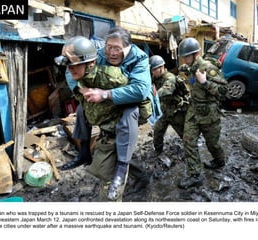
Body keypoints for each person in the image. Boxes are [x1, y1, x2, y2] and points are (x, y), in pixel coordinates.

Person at [58, 27, 153, 201]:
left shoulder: (140, 59)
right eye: (108, 47)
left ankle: (121, 169)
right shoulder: (100, 54)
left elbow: (140, 90)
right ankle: (84, 152)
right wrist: (82, 90)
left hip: (134, 103)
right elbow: (71, 71)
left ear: (128, 47)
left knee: (127, 120)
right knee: (82, 109)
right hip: (109, 103)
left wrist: (105, 94)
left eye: (117, 48)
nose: (111, 53)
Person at [177, 37, 228, 189]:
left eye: (187, 57)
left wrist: (205, 82)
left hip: (209, 113)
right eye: (183, 57)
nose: (185, 60)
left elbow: (224, 92)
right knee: (188, 141)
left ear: (196, 54)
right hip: (194, 111)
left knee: (213, 144)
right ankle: (195, 175)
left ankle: (219, 160)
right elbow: (187, 72)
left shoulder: (207, 68)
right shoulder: (191, 67)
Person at [149, 55, 189, 156]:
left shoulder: (170, 77)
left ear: (162, 67)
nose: (153, 72)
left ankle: (190, 153)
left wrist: (154, 95)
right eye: (152, 70)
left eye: (154, 69)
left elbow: (166, 90)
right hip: (164, 111)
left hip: (176, 111)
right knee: (157, 131)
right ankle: (158, 150)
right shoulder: (155, 77)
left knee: (184, 134)